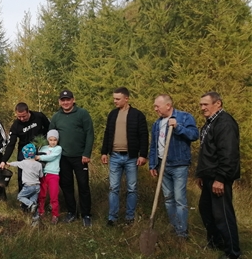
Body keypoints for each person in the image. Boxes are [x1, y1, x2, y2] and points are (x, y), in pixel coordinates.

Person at [196, 92, 242, 259]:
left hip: (219, 177)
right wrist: (201, 174)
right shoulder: (211, 123)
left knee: (223, 215)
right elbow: (207, 152)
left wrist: (221, 178)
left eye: (206, 104)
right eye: (201, 105)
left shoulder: (225, 123)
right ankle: (216, 242)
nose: (202, 108)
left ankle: (234, 255)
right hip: (208, 176)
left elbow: (228, 153)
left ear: (218, 104)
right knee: (206, 210)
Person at [148, 94, 199, 238]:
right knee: (168, 198)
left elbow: (195, 135)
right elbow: (154, 146)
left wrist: (177, 127)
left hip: (179, 165)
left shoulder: (184, 117)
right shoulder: (157, 124)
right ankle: (175, 227)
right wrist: (152, 164)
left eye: (157, 106)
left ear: (168, 106)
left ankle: (182, 233)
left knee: (179, 199)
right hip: (162, 166)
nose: (155, 109)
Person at [100, 87, 149, 226]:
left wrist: (143, 155)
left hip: (131, 157)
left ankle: (129, 218)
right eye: (114, 98)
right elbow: (107, 133)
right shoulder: (112, 114)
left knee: (132, 188)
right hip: (115, 156)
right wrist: (104, 152)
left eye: (117, 99)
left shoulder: (137, 115)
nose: (115, 101)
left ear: (126, 99)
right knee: (113, 188)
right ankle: (112, 218)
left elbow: (144, 136)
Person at [49, 89, 94, 227]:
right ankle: (71, 212)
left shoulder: (82, 114)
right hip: (63, 158)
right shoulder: (56, 117)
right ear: (59, 102)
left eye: (68, 99)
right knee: (66, 186)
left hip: (80, 157)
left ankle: (86, 214)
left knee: (83, 185)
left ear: (73, 100)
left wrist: (86, 153)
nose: (66, 102)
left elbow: (89, 134)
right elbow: (51, 135)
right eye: (63, 100)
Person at [2, 102, 49, 194]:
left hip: (39, 148)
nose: (22, 119)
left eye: (24, 116)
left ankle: (39, 200)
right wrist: (4, 160)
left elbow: (49, 128)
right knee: (23, 175)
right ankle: (24, 202)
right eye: (19, 117)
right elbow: (11, 144)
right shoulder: (16, 125)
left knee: (39, 175)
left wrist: (46, 142)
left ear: (28, 112)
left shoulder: (39, 116)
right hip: (24, 151)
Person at [7, 143, 43, 223]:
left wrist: (9, 164)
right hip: (37, 187)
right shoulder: (39, 164)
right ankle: (35, 221)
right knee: (35, 203)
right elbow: (41, 175)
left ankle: (30, 204)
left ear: (25, 154)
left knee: (20, 197)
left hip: (28, 186)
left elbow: (16, 163)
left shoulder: (24, 162)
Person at [35, 129, 62, 224]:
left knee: (53, 195)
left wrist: (40, 157)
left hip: (53, 174)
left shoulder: (58, 149)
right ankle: (40, 212)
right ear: (48, 140)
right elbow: (38, 156)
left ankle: (55, 215)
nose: (53, 142)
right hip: (43, 174)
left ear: (57, 140)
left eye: (55, 140)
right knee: (42, 194)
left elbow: (51, 157)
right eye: (51, 140)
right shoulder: (43, 148)